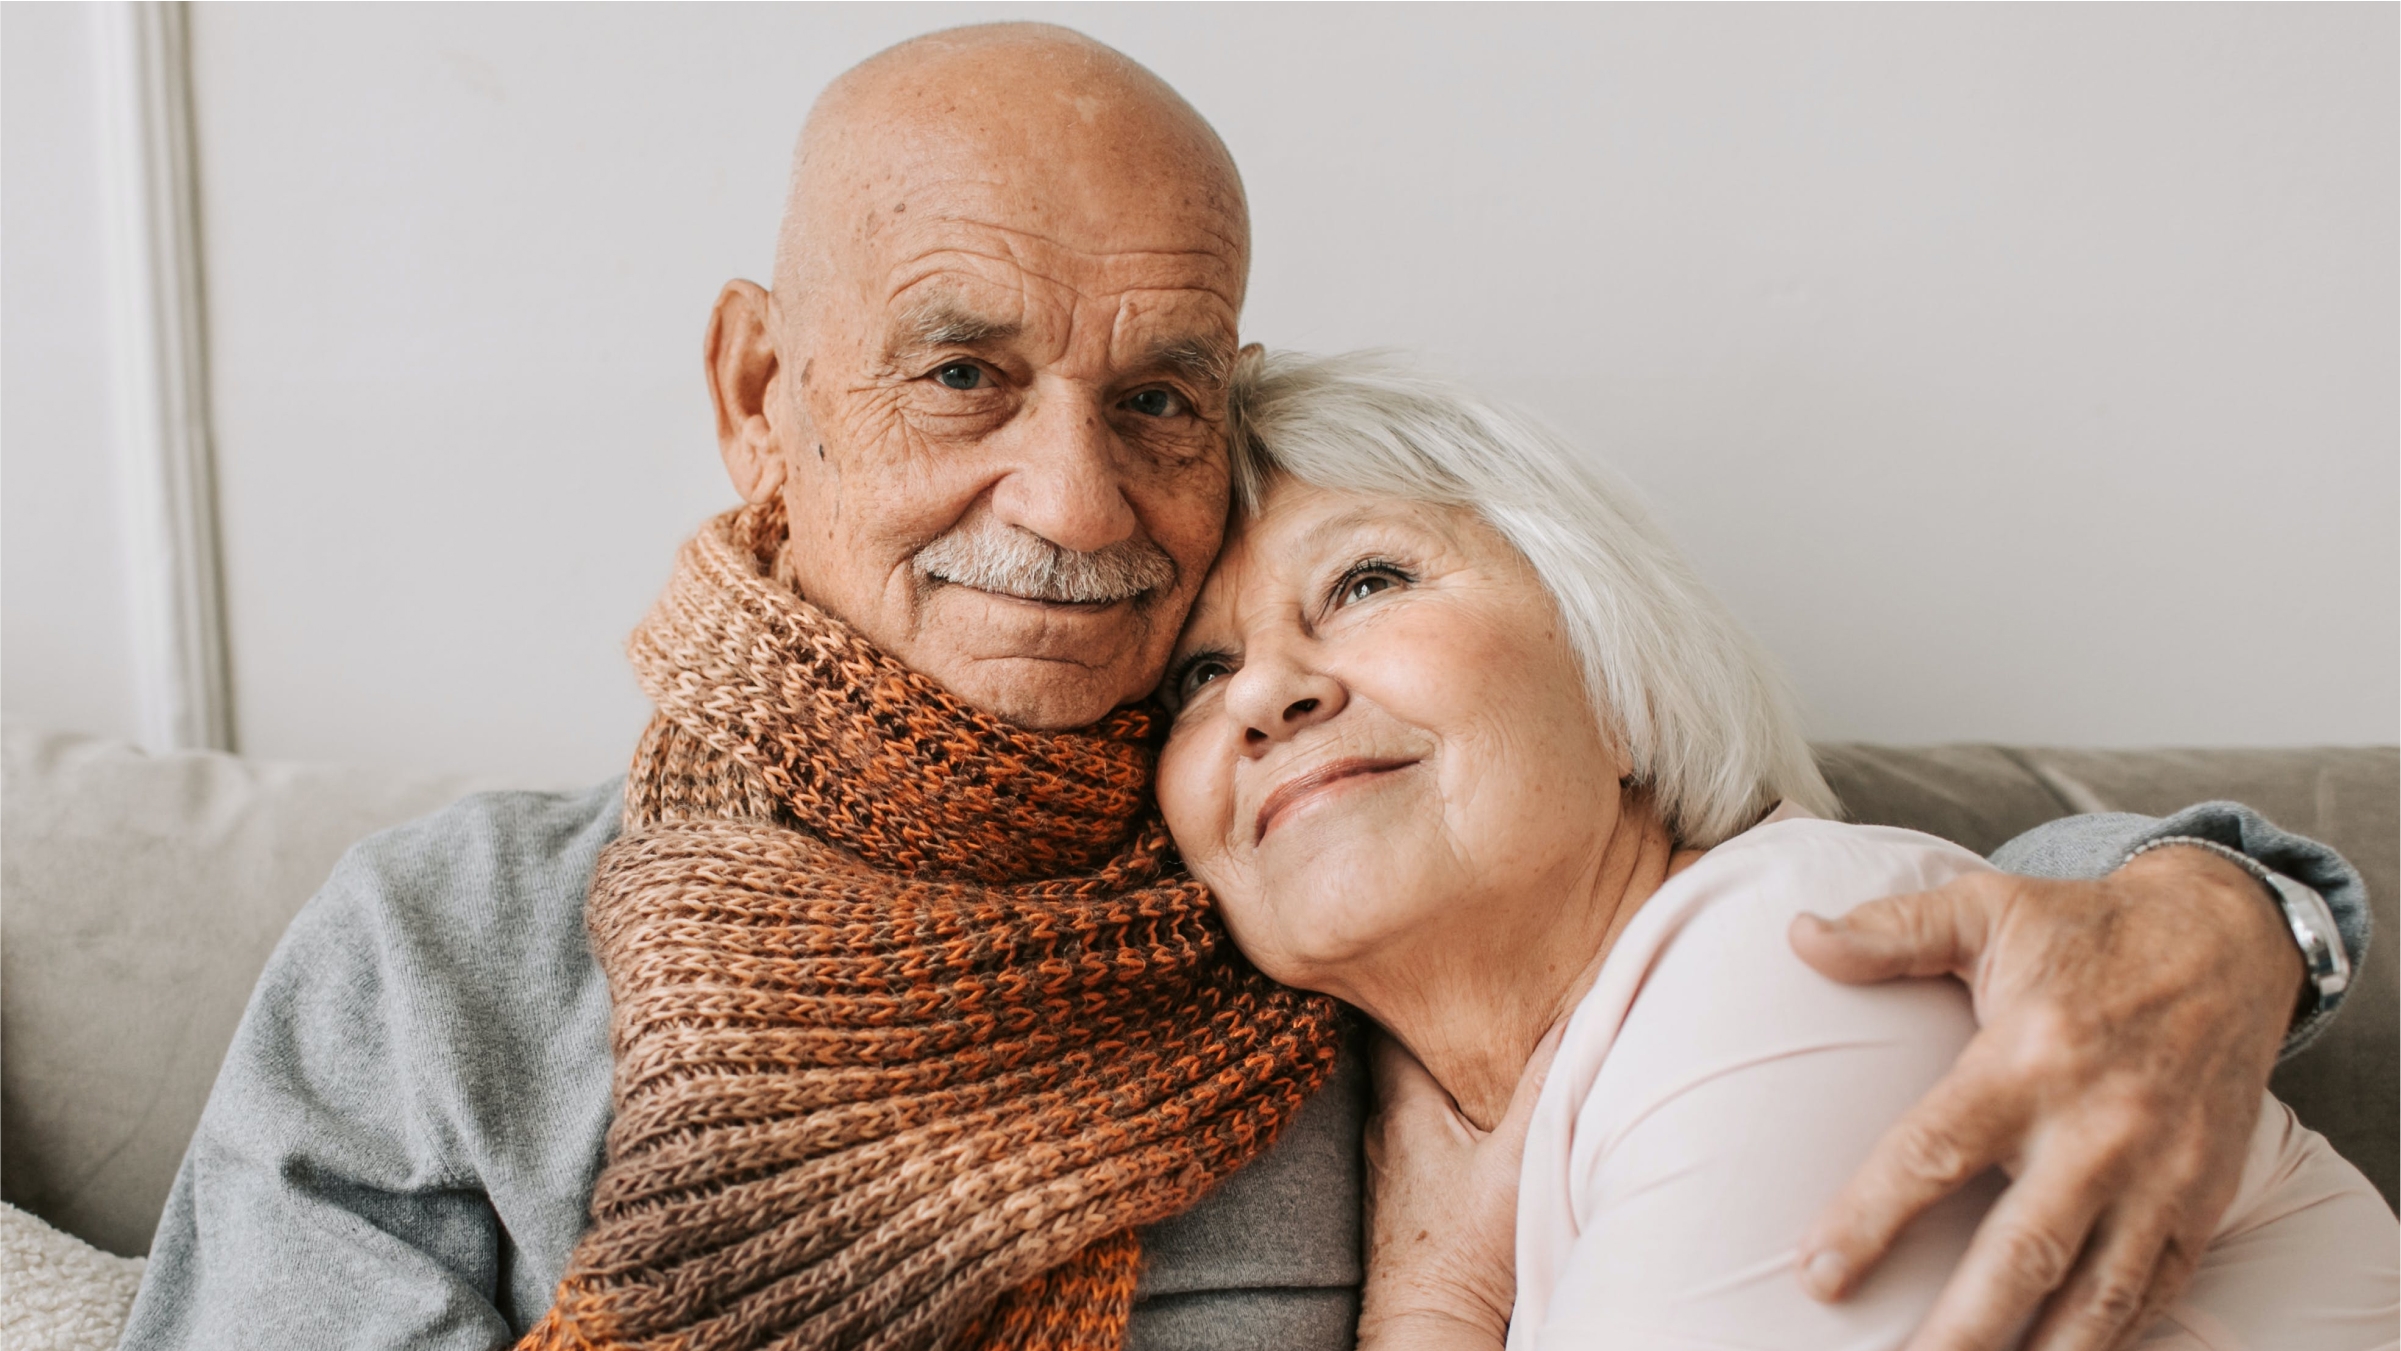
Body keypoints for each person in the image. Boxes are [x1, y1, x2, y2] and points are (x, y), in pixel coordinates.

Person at [117, 23, 2372, 1351]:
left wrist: (2215, 911)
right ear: (753, 393)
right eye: (962, 372)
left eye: (1163, 397)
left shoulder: (1308, 882)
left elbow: (1822, 915)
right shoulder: (447, 961)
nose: (1077, 503)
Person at [1154, 349, 2396, 1350]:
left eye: (1368, 581)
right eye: (1200, 674)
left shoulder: (1795, 954)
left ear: (1617, 677)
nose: (1265, 692)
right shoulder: (1517, 1115)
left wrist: (1430, 1311)